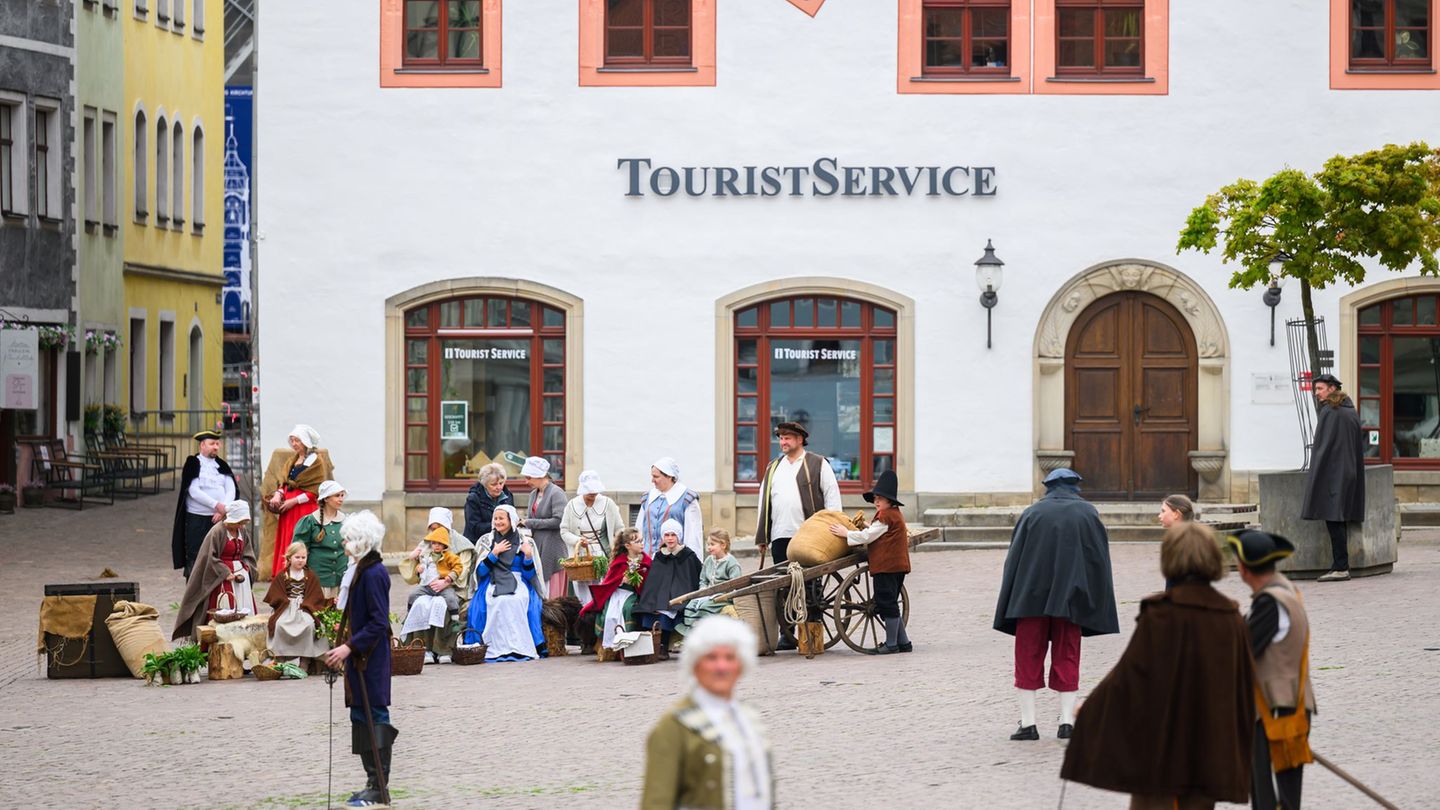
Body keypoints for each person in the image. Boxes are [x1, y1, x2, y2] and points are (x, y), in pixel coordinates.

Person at [1060, 522, 1256, 810]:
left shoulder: (1162, 615)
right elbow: (1244, 684)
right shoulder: (1231, 618)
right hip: (1209, 746)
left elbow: (1129, 677)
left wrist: (1089, 708)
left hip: (1162, 747)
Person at [993, 468, 1119, 741]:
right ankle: (1067, 723)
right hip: (1071, 599)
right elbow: (1098, 559)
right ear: (1075, 486)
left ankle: (1028, 724)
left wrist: (1011, 596)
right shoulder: (1087, 514)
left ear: (1048, 486)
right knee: (1068, 654)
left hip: (1030, 598)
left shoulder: (1032, 513)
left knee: (1027, 656)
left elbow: (1014, 560)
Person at [641, 615, 773, 810]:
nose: (721, 667)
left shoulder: (751, 719)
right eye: (711, 658)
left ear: (741, 665)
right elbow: (656, 803)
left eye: (730, 658)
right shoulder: (673, 726)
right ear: (695, 665)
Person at [1226, 529, 1316, 810]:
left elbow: (1240, 654)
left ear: (1243, 569)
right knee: (1278, 799)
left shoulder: (1269, 602)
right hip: (1284, 708)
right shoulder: (1285, 590)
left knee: (1271, 801)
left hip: (1276, 713)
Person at [323, 510, 397, 809]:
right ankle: (371, 783)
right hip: (358, 658)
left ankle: (380, 786)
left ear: (361, 542)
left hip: (371, 659)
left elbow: (379, 623)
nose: (344, 545)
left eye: (348, 541)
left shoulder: (374, 573)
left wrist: (348, 647)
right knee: (359, 717)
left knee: (375, 717)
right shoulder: (360, 570)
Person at [755, 422, 841, 651]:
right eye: (781, 438)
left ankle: (812, 631)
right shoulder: (773, 467)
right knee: (784, 587)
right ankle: (788, 633)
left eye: (788, 438)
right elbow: (764, 501)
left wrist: (833, 529)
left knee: (811, 586)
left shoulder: (817, 463)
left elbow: (832, 498)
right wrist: (762, 535)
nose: (783, 442)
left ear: (801, 439)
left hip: (809, 535)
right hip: (781, 534)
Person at [829, 469, 912, 654]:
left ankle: (891, 644)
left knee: (886, 602)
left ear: (889, 501)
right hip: (897, 567)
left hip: (887, 567)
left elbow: (869, 536)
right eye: (875, 499)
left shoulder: (885, 516)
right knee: (891, 601)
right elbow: (878, 531)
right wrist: (867, 525)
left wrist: (846, 533)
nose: (876, 502)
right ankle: (904, 642)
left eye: (879, 499)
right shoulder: (893, 514)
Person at [1301, 373, 1365, 582]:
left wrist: (1317, 471)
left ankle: (1340, 566)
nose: (1316, 393)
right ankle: (1340, 565)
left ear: (1331, 389)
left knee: (1334, 517)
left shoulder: (1331, 411)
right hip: (1348, 471)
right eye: (1315, 389)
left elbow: (1323, 447)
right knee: (1338, 517)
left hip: (1334, 473)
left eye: (1319, 389)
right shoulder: (1350, 411)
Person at [463, 505, 548, 661]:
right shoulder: (486, 541)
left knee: (517, 600)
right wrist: (494, 553)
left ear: (511, 520)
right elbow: (480, 572)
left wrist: (528, 556)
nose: (497, 521)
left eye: (501, 518)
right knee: (496, 601)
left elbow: (529, 574)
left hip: (518, 579)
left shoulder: (525, 541)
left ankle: (519, 647)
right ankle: (491, 646)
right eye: (495, 518)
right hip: (492, 579)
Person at [173, 500, 258, 641]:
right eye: (239, 522)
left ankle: (243, 644)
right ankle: (222, 643)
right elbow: (208, 557)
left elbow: (248, 553)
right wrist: (225, 572)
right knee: (224, 611)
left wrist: (247, 569)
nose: (241, 526)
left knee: (243, 611)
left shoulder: (242, 531)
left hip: (240, 581)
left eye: (243, 522)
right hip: (221, 581)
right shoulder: (217, 531)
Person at [263, 424, 333, 578]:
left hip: (303, 509)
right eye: (292, 441)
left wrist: (293, 501)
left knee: (299, 539)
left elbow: (315, 491)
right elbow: (285, 483)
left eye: (297, 441)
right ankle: (286, 574)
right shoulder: (292, 460)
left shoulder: (316, 462)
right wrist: (278, 494)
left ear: (306, 442)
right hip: (288, 509)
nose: (294, 444)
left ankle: (301, 575)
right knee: (287, 539)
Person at [171, 429, 236, 579]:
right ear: (202, 445)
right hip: (197, 519)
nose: (216, 447)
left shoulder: (222, 465)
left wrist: (223, 510)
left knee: (218, 554)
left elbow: (231, 489)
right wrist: (216, 505)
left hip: (219, 518)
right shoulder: (193, 463)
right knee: (196, 555)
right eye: (212, 443)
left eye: (217, 444)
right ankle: (195, 593)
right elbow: (193, 490)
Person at [636, 520, 704, 661]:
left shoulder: (688, 555)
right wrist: (652, 598)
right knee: (652, 609)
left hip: (681, 595)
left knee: (668, 610)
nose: (670, 538)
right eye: (667, 535)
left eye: (673, 535)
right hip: (660, 595)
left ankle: (664, 645)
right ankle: (652, 646)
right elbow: (654, 582)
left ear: (678, 536)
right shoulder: (659, 556)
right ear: (663, 537)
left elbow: (693, 577)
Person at [581, 527, 651, 656]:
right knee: (611, 613)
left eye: (642, 540)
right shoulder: (619, 562)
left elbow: (649, 585)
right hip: (617, 593)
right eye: (638, 541)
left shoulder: (646, 562)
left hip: (634, 595)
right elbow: (609, 582)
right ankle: (610, 647)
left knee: (628, 609)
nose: (642, 544)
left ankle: (628, 645)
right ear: (628, 545)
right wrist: (621, 580)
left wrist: (637, 583)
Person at [560, 470, 625, 602]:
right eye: (589, 491)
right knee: (582, 592)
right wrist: (578, 540)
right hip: (580, 556)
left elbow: (620, 529)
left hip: (602, 554)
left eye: (595, 491)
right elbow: (564, 531)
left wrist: (617, 549)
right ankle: (585, 617)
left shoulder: (608, 504)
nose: (592, 494)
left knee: (602, 590)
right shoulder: (571, 505)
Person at [263, 542, 332, 665]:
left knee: (309, 625)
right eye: (297, 557)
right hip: (286, 608)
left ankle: (305, 659)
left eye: (303, 557)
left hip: (304, 608)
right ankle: (279, 657)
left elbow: (315, 596)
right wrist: (285, 601)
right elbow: (275, 594)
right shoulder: (282, 575)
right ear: (289, 558)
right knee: (279, 625)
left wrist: (306, 603)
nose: (300, 560)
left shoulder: (310, 575)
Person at [399, 526, 464, 638]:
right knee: (413, 595)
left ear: (444, 544)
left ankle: (455, 620)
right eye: (434, 543)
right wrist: (418, 570)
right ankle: (409, 615)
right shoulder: (427, 555)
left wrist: (449, 577)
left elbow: (458, 567)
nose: (436, 546)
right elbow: (421, 566)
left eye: (439, 543)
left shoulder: (449, 556)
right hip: (427, 586)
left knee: (451, 598)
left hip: (443, 585)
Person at [678, 530, 743, 637]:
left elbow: (735, 585)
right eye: (708, 544)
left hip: (723, 596)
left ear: (723, 545)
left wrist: (722, 594)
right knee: (691, 605)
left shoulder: (732, 563)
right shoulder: (709, 560)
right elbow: (703, 579)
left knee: (705, 606)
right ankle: (692, 633)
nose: (709, 547)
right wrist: (703, 590)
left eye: (712, 544)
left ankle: (703, 630)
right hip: (708, 594)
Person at [519, 456, 567, 599]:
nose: (526, 481)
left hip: (553, 548)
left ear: (539, 476)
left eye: (528, 477)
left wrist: (529, 523)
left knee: (552, 592)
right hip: (538, 546)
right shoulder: (534, 494)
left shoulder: (557, 493)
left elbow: (559, 520)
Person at [638, 457, 703, 558]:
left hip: (674, 563)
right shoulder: (648, 498)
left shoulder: (687, 499)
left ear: (669, 476)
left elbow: (693, 537)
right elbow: (639, 530)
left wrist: (693, 564)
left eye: (656, 477)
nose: (652, 480)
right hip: (647, 561)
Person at [293, 479, 348, 600]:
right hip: (318, 580)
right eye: (337, 496)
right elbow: (297, 550)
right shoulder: (309, 521)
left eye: (342, 495)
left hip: (341, 580)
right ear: (326, 499)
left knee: (340, 616)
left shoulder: (346, 521)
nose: (341, 499)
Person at [462, 462, 513, 542]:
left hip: (502, 542)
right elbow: (474, 527)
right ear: (485, 484)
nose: (499, 487)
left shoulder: (508, 495)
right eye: (494, 484)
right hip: (478, 543)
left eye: (501, 483)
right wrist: (498, 525)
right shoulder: (473, 498)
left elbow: (511, 519)